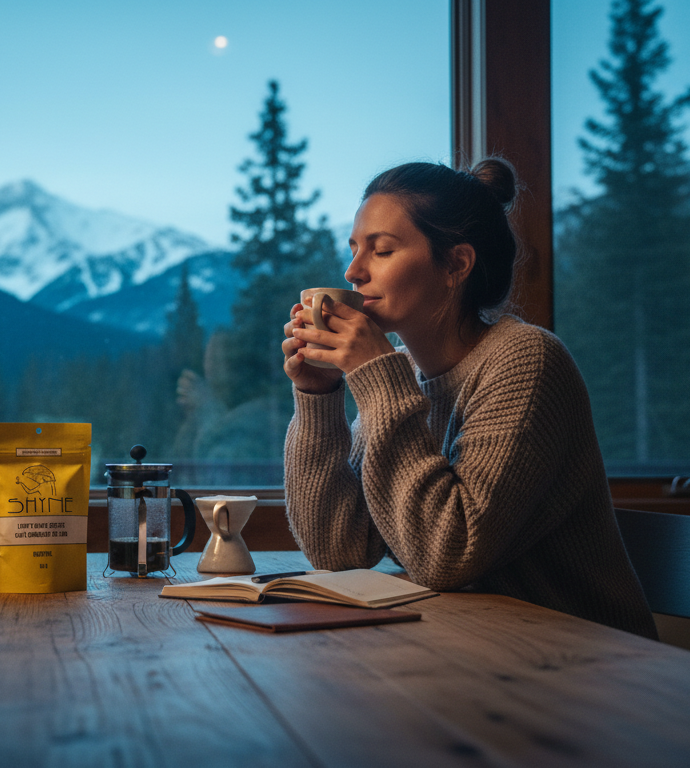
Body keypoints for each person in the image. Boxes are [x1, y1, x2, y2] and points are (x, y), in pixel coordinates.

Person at [281, 159, 657, 639]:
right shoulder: (404, 375)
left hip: (584, 661)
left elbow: (448, 556)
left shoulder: (526, 361)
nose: (353, 272)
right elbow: (340, 551)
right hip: (477, 646)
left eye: (382, 251)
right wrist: (318, 397)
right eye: (354, 250)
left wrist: (377, 377)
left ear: (456, 264)